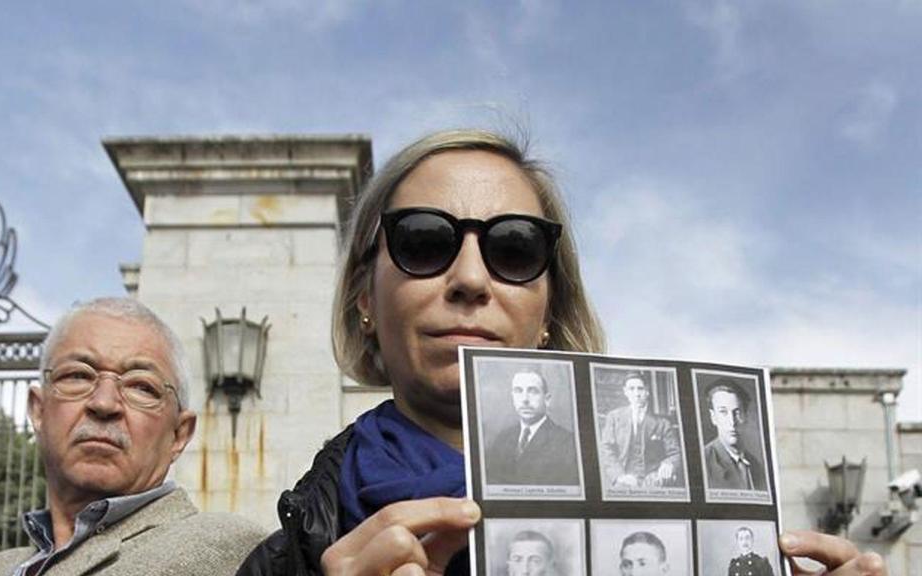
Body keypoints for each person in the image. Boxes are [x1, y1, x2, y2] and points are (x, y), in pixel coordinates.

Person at [236, 129, 888, 576]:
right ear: (366, 298)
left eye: (514, 248)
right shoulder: (287, 555)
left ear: (549, 310)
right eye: (425, 241)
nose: (469, 278)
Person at [0, 298, 265, 576]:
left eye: (141, 387)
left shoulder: (234, 549)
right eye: (78, 376)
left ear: (179, 434)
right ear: (38, 410)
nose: (104, 403)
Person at [486, 370, 580, 485]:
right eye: (518, 391)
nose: (525, 399)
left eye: (533, 391)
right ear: (513, 398)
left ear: (547, 399)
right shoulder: (503, 438)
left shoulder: (567, 442)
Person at [599, 372, 682, 489]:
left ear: (647, 391)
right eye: (631, 389)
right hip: (624, 479)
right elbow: (607, 451)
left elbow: (675, 453)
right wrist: (619, 476)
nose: (636, 394)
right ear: (625, 392)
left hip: (654, 479)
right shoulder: (614, 418)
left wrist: (669, 464)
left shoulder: (663, 423)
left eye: (640, 389)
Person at [703, 382, 766, 491]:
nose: (732, 422)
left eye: (737, 412)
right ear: (713, 417)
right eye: (723, 412)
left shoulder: (756, 466)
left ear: (745, 415)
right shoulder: (703, 462)